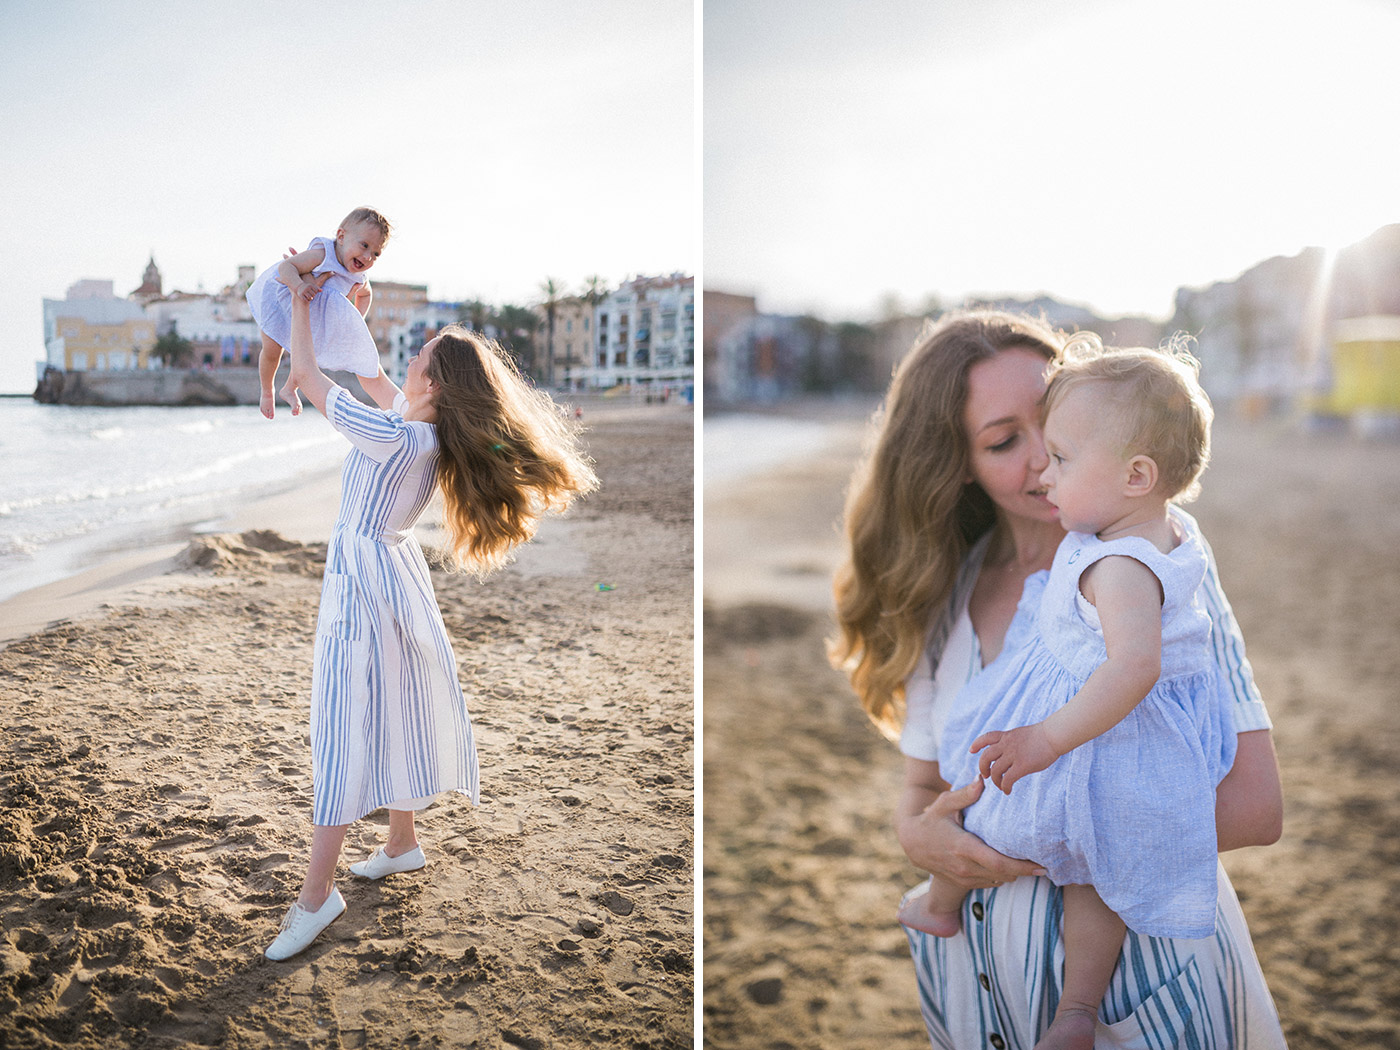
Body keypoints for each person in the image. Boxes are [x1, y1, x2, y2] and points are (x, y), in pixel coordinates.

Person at [830, 310, 1286, 1048]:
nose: (1046, 457)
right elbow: (921, 791)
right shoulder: (946, 591)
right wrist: (921, 840)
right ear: (955, 463)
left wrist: (1036, 832)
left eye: (1056, 418)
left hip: (1140, 989)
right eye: (1006, 441)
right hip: (982, 989)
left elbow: (1257, 808)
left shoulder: (1155, 575)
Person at [264, 288, 598, 962]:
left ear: (435, 383)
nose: (407, 359)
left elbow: (304, 376)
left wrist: (299, 306)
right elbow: (363, 371)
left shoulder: (396, 435)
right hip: (388, 576)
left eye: (417, 357)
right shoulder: (412, 424)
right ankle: (400, 843)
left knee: (340, 726)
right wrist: (340, 306)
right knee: (393, 705)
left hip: (364, 583)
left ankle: (315, 897)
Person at [245, 207, 391, 419]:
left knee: (307, 358)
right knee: (271, 350)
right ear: (341, 236)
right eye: (364, 245)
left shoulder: (359, 278)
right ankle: (267, 391)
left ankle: (290, 388)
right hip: (282, 300)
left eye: (376, 253)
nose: (368, 257)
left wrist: (355, 318)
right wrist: (299, 287)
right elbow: (287, 267)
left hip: (312, 318)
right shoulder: (324, 254)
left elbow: (366, 295)